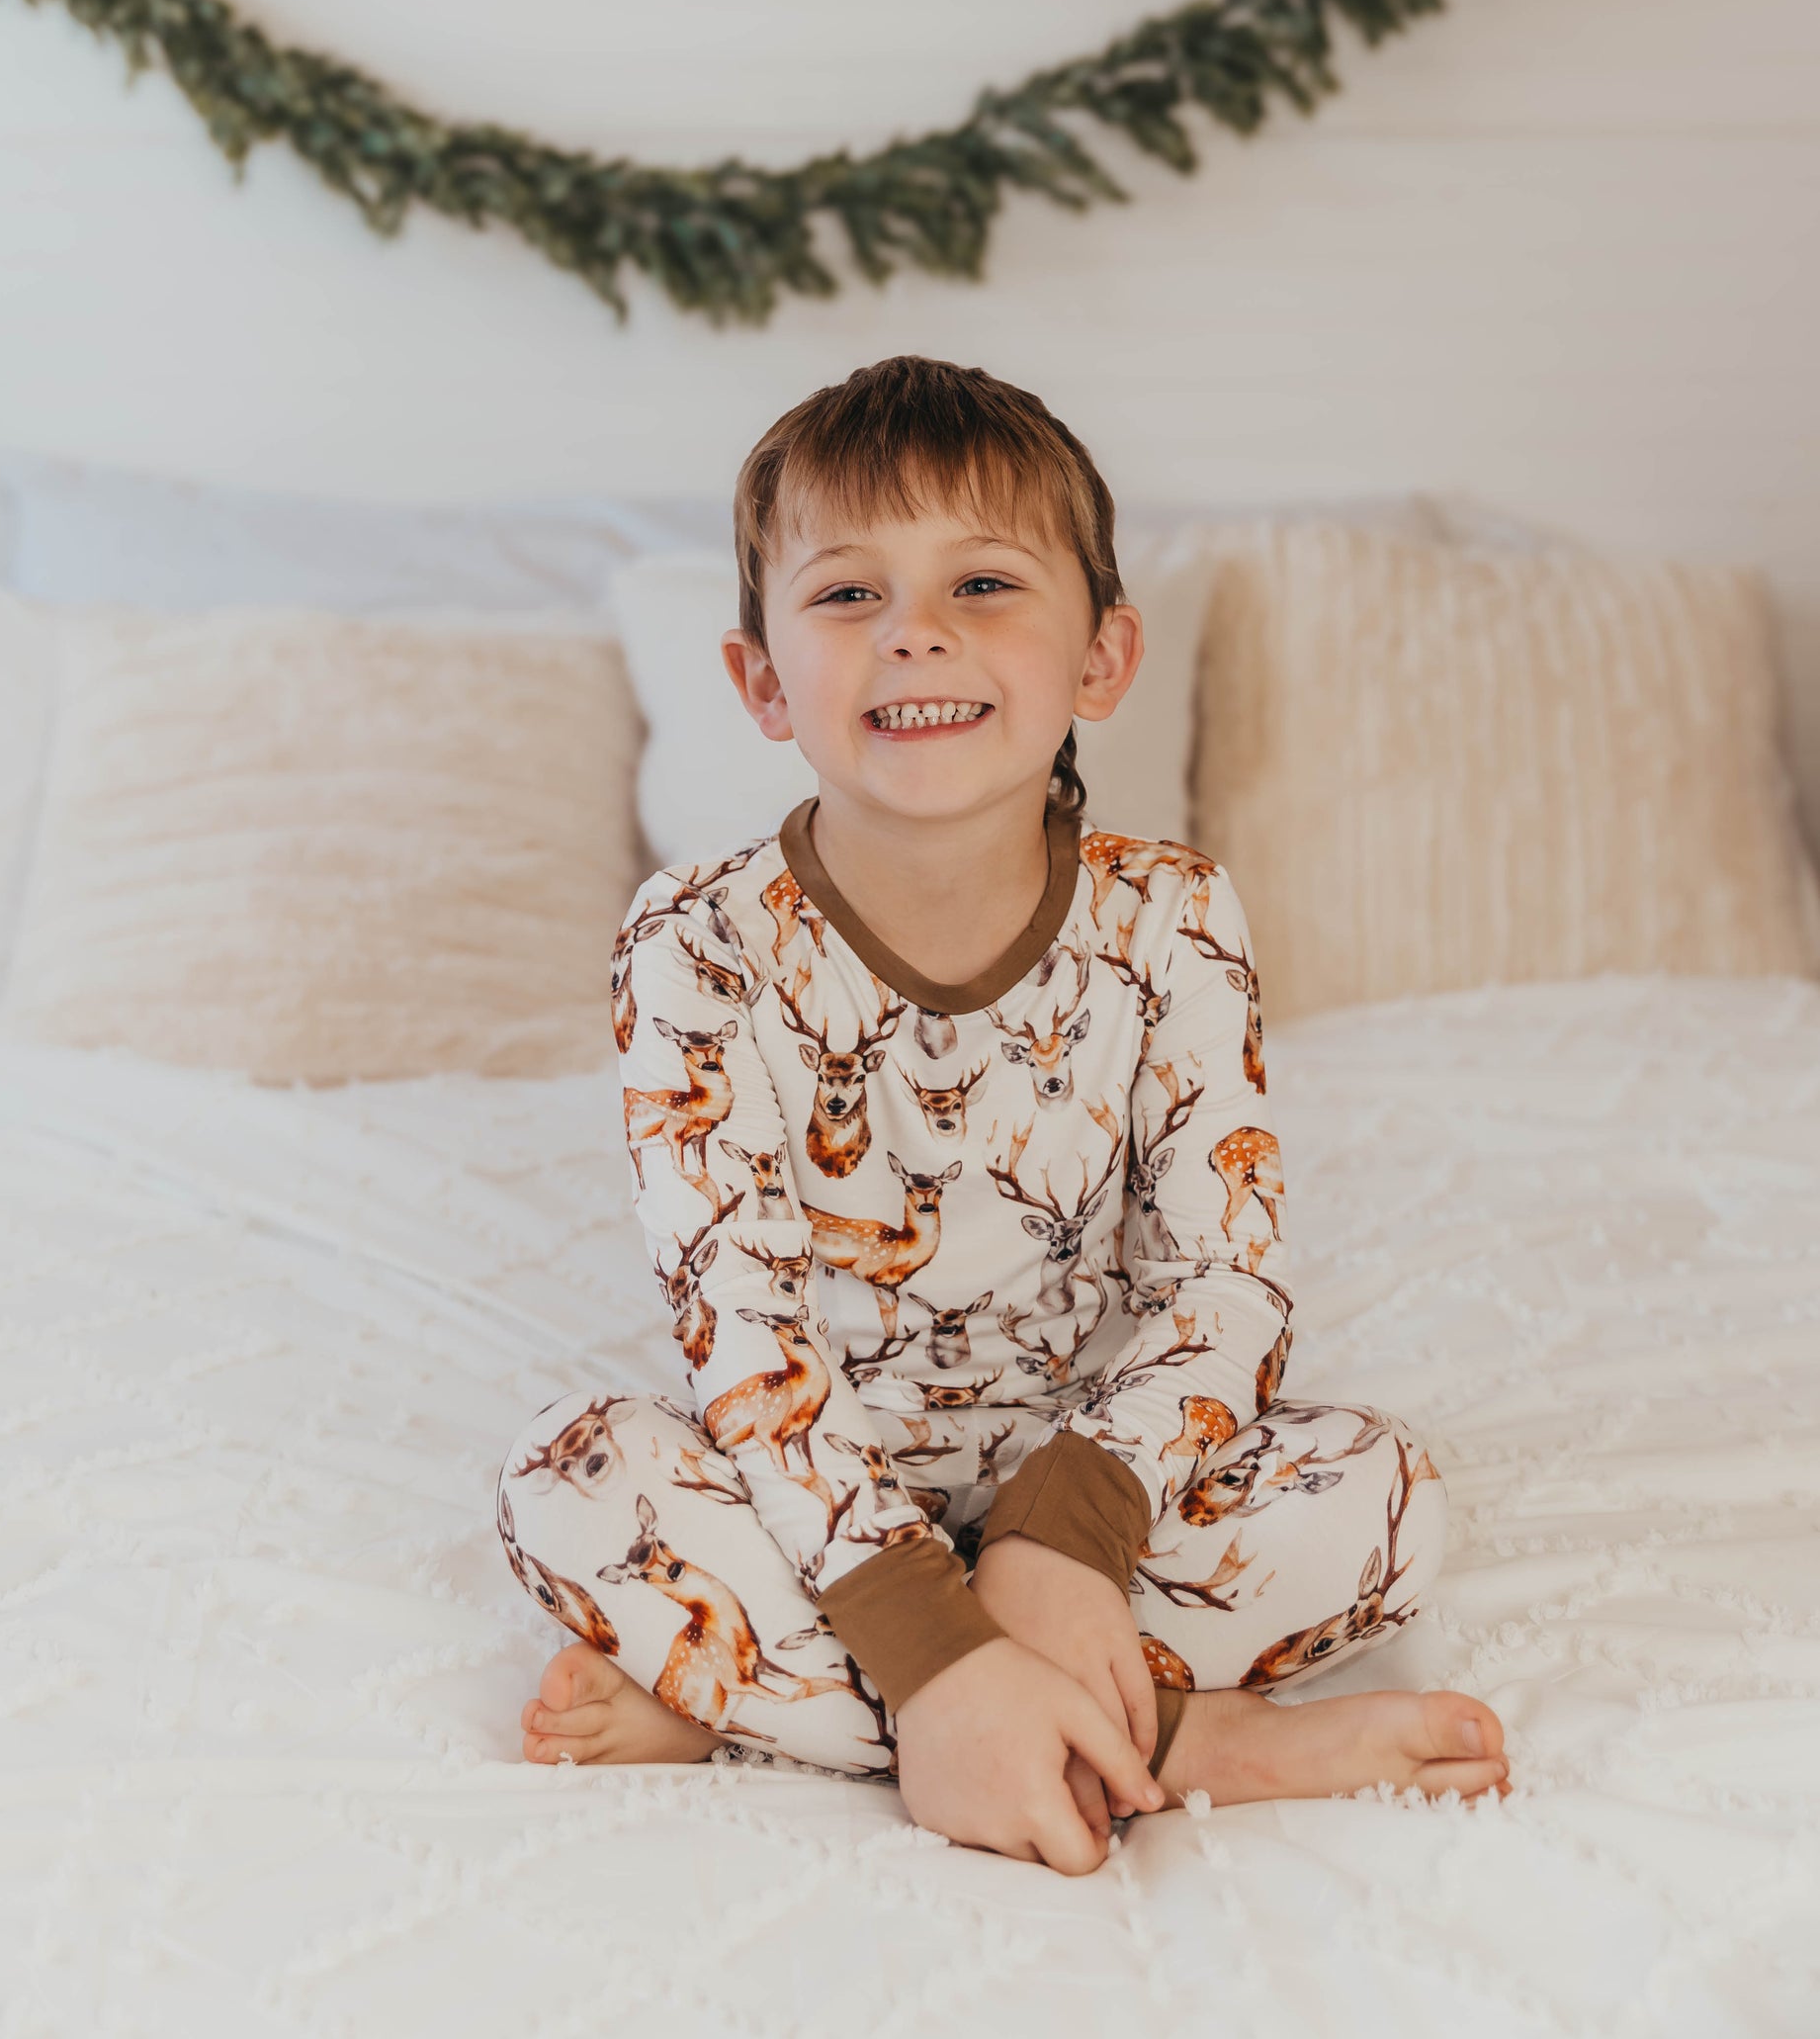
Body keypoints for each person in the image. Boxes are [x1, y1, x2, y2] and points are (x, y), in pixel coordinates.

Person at [498, 357, 1510, 1872]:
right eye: (846, 595)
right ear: (762, 682)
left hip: (1099, 1476)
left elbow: (1220, 1280)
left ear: (1101, 660)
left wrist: (1058, 1540)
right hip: (819, 1487)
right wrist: (930, 1631)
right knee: (564, 1485)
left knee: (1392, 1497)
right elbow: (747, 1340)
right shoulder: (693, 945)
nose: (916, 630)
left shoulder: (1175, 918)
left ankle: (757, 1700)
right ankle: (1152, 1732)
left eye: (981, 582)